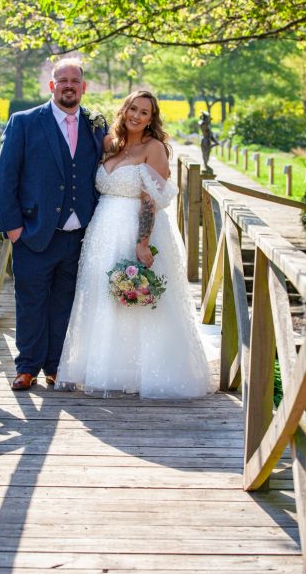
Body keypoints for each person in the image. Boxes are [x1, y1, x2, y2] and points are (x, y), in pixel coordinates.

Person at [56, 90, 211, 398]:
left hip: (135, 229)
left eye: (144, 112)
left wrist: (143, 243)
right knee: (104, 297)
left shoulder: (154, 148)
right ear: (124, 109)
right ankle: (107, 368)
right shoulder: (110, 144)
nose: (136, 116)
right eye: (133, 109)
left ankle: (144, 372)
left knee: (136, 298)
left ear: (152, 119)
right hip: (102, 231)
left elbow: (151, 201)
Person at [0, 58, 108, 390]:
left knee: (65, 302)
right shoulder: (25, 122)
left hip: (79, 235)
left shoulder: (96, 124)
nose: (69, 85)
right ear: (52, 85)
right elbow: (6, 176)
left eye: (76, 80)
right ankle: (27, 366)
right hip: (33, 231)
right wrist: (12, 226)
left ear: (84, 87)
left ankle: (56, 366)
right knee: (30, 300)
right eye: (63, 80)